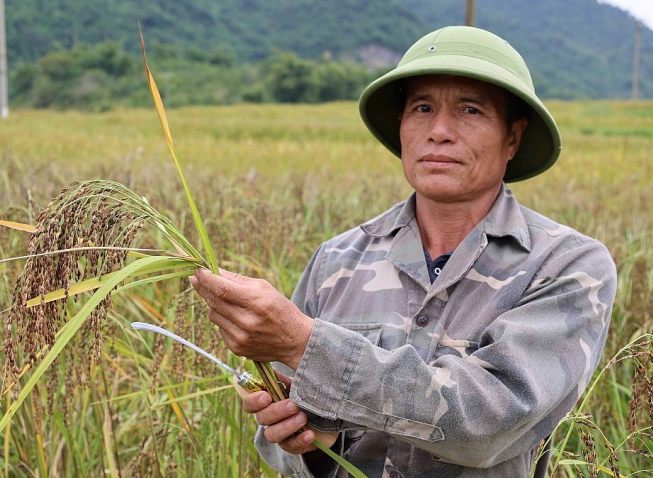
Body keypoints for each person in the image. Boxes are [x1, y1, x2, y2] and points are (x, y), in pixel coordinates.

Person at [191, 25, 617, 478]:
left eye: (470, 110)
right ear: (401, 126)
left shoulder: (566, 266)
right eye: (422, 108)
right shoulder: (337, 260)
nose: (439, 131)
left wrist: (305, 344)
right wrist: (313, 443)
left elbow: (487, 423)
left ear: (512, 137)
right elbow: (278, 440)